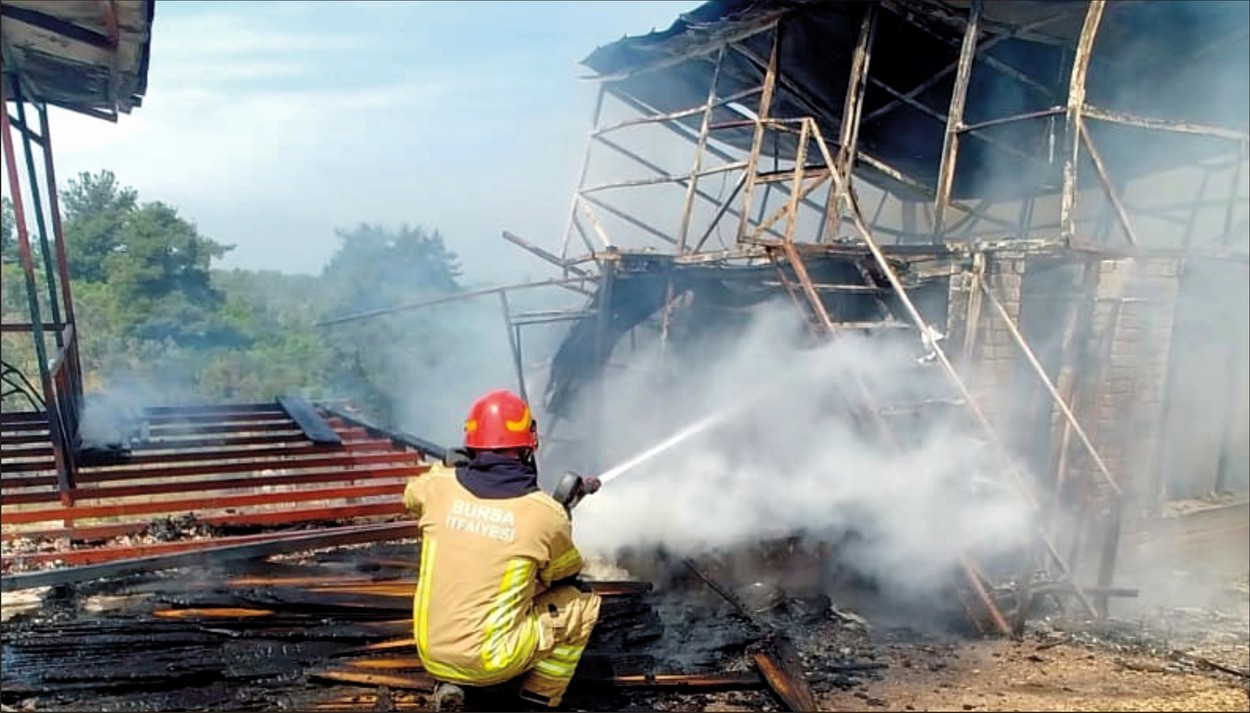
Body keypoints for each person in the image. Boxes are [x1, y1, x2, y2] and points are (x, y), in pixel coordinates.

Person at [402, 389, 602, 711]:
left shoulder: (438, 487)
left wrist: (444, 467)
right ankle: (536, 699)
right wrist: (561, 518)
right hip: (492, 661)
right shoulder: (542, 513)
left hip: (430, 652)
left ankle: (452, 682)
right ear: (529, 443)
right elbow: (564, 574)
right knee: (582, 603)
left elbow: (411, 497)